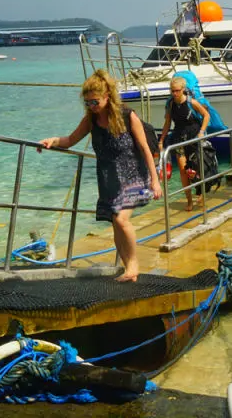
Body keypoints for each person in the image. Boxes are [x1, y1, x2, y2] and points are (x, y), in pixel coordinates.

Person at [40, 69, 161, 282]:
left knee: (121, 219)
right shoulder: (91, 121)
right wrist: (52, 141)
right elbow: (70, 140)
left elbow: (144, 147)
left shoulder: (127, 115)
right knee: (115, 222)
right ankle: (128, 270)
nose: (92, 107)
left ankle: (133, 266)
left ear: (107, 97)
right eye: (87, 103)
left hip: (134, 175)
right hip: (109, 179)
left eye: (95, 102)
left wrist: (155, 180)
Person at [159, 76, 209, 211]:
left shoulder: (191, 103)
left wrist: (202, 132)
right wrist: (162, 139)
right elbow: (167, 123)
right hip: (179, 137)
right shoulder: (170, 104)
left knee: (197, 167)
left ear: (183, 90)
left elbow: (206, 115)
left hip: (193, 136)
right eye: (172, 91)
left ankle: (200, 192)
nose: (174, 93)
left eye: (177, 91)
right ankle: (189, 200)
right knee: (183, 170)